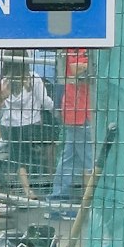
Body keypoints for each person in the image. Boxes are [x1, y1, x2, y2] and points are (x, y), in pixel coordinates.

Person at [0, 55, 54, 199]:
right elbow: (45, 101)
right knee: (25, 155)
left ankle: (20, 187)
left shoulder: (4, 82)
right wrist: (55, 111)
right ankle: (33, 187)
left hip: (9, 125)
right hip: (30, 125)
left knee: (17, 156)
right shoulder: (33, 79)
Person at [47, 47, 94, 209]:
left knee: (69, 159)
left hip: (79, 110)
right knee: (91, 160)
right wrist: (93, 64)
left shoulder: (81, 46)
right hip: (79, 111)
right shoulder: (77, 45)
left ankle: (56, 202)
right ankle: (93, 204)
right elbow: (76, 69)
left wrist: (87, 65)